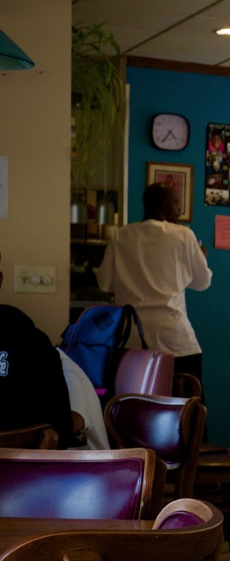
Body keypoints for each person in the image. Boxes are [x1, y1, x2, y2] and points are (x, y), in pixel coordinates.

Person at [96, 182, 213, 385]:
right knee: (185, 410)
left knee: (132, 406)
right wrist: (201, 258)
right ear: (166, 206)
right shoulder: (183, 235)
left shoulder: (120, 235)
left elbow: (105, 284)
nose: (179, 210)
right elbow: (203, 283)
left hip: (131, 339)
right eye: (177, 204)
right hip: (174, 341)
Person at [0, 261, 75, 446]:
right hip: (26, 470)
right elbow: (62, 428)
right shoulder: (34, 340)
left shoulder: (32, 340)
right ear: (0, 280)